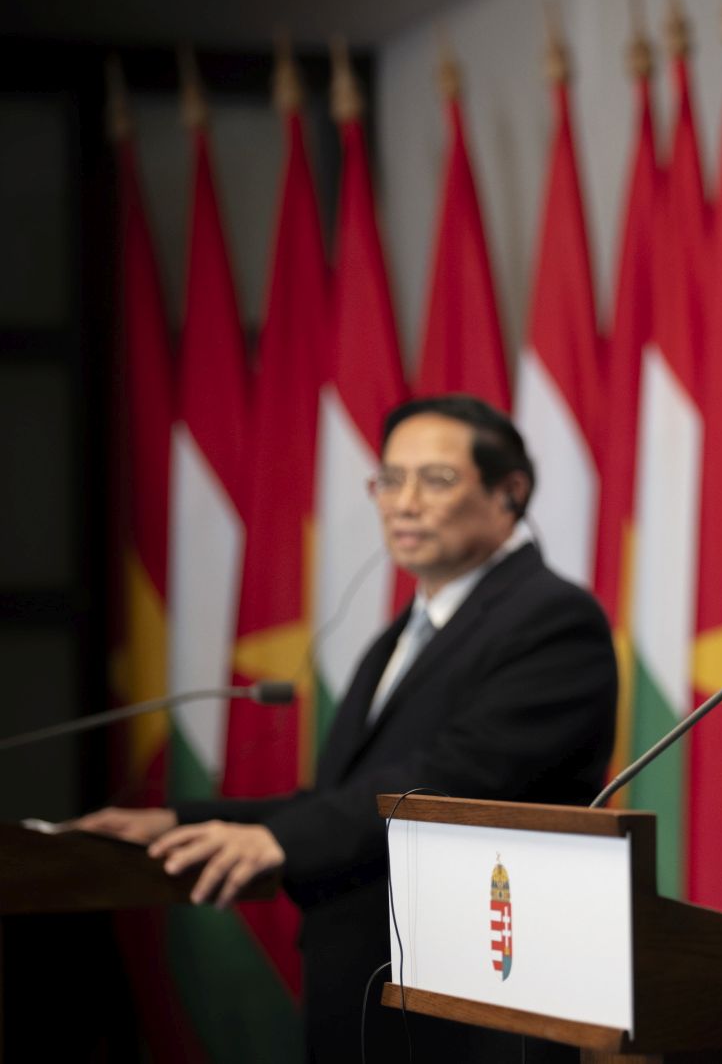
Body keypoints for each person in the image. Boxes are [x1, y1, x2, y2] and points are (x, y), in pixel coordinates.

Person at [80, 394, 617, 1062]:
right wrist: (178, 820)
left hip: (471, 1003)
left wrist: (278, 838)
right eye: (389, 479)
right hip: (368, 987)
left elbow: (449, 785)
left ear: (510, 492)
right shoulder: (403, 633)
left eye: (436, 479)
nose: (403, 501)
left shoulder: (553, 620)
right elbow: (355, 792)